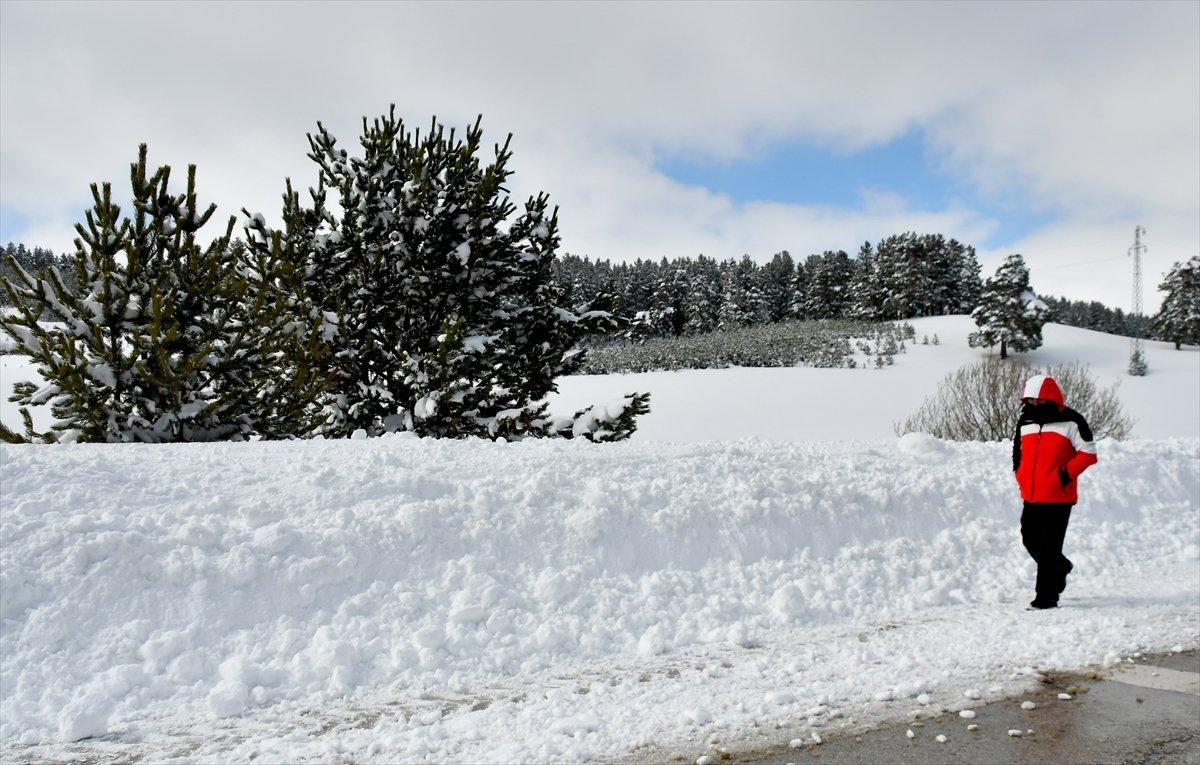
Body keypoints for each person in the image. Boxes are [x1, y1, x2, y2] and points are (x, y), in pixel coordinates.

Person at [1012, 374, 1098, 609]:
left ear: (1050, 398)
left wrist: (1063, 476)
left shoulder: (1072, 421)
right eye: (1029, 401)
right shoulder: (1026, 422)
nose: (1033, 405)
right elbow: (1017, 452)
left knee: (1050, 548)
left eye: (1037, 401)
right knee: (1029, 538)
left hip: (1059, 496)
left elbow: (1088, 453)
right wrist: (1019, 474)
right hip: (1031, 494)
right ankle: (1060, 568)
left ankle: (1046, 596)